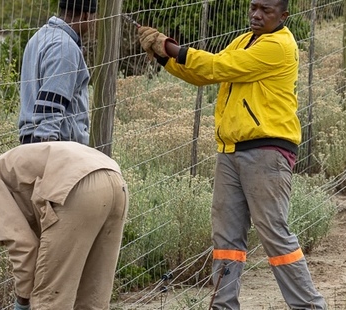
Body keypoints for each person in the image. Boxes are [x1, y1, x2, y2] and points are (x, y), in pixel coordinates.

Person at [137, 0, 327, 309]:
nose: (256, 14)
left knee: (275, 236)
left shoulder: (278, 45)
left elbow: (218, 67)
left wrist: (168, 46)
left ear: (283, 16)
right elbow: (205, 74)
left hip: (266, 149)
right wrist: (164, 59)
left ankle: (309, 306)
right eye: (253, 7)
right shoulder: (245, 40)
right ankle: (223, 305)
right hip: (231, 150)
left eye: (266, 10)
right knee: (226, 240)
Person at [0, 142, 128, 310]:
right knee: (92, 301)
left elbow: (24, 247)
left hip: (75, 188)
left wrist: (22, 300)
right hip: (115, 180)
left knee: (50, 302)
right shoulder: (5, 172)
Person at [18, 0, 97, 145]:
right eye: (94, 17)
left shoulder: (39, 36)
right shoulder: (65, 47)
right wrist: (47, 160)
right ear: (86, 16)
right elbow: (49, 113)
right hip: (59, 147)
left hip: (30, 142)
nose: (94, 23)